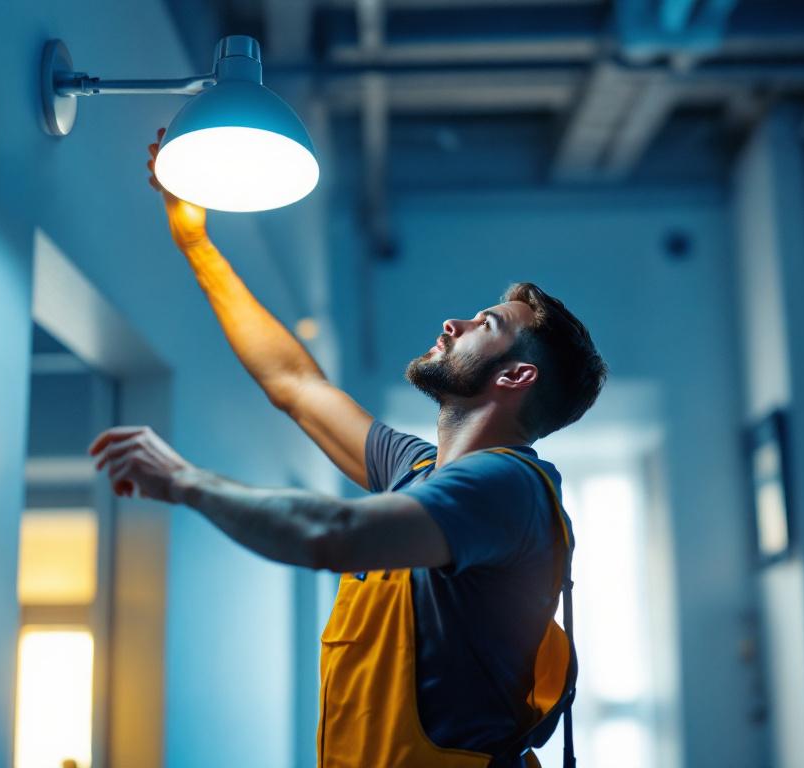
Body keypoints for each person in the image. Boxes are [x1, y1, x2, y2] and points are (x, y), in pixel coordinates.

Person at [88, 128, 607, 768]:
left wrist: (183, 480)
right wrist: (196, 243)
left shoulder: (505, 488)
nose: (455, 323)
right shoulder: (417, 471)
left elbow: (332, 535)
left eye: (487, 325)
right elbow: (295, 384)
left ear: (516, 376)